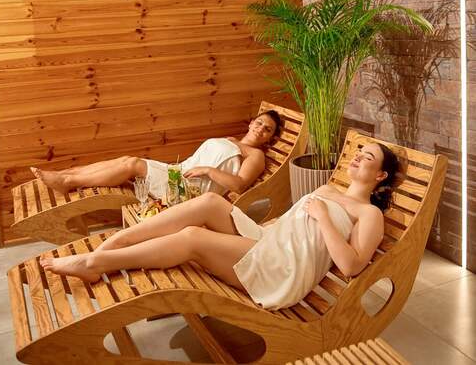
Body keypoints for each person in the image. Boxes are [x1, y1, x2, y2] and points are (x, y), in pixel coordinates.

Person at [40, 141, 400, 310]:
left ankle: (96, 262)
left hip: (282, 267)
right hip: (270, 240)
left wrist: (322, 218)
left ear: (380, 176)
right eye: (358, 151)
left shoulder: (369, 214)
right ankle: (116, 243)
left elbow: (352, 265)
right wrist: (279, 223)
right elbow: (292, 225)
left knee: (193, 237)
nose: (357, 156)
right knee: (210, 203)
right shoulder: (326, 188)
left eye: (367, 156)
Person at [30, 110, 282, 198]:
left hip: (188, 191)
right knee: (126, 160)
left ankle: (68, 181)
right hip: (180, 173)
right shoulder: (230, 141)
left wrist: (208, 170)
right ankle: (65, 174)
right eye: (259, 122)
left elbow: (239, 185)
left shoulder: (255, 156)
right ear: (251, 122)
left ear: (270, 138)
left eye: (267, 129)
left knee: (133, 165)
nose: (261, 128)